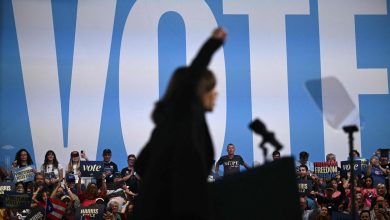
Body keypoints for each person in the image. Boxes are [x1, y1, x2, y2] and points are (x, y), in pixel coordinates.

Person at [134, 27, 226, 220]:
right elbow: (191, 78)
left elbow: (142, 162)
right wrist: (212, 44)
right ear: (198, 91)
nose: (216, 94)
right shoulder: (183, 116)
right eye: (211, 88)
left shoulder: (170, 126)